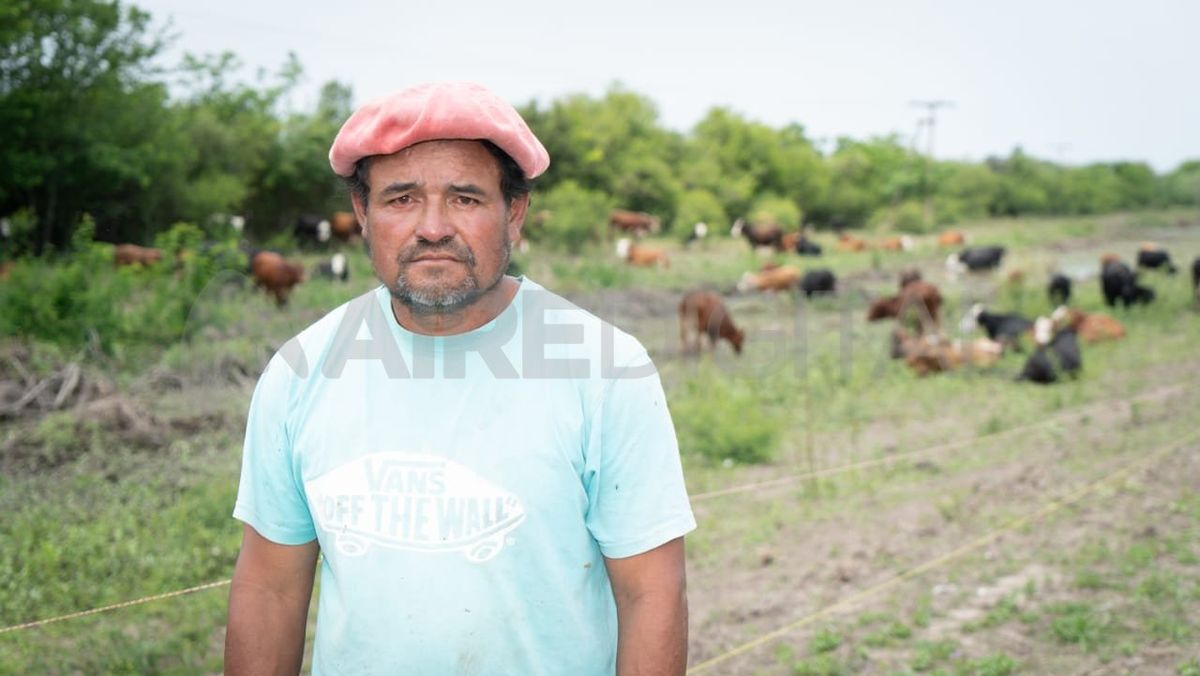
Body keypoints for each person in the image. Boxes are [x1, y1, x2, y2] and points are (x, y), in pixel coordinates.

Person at [224, 81, 696, 675]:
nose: (433, 227)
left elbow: (650, 593)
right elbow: (270, 590)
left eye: (466, 199)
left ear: (514, 213)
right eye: (400, 199)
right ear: (362, 215)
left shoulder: (605, 369)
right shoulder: (300, 372)